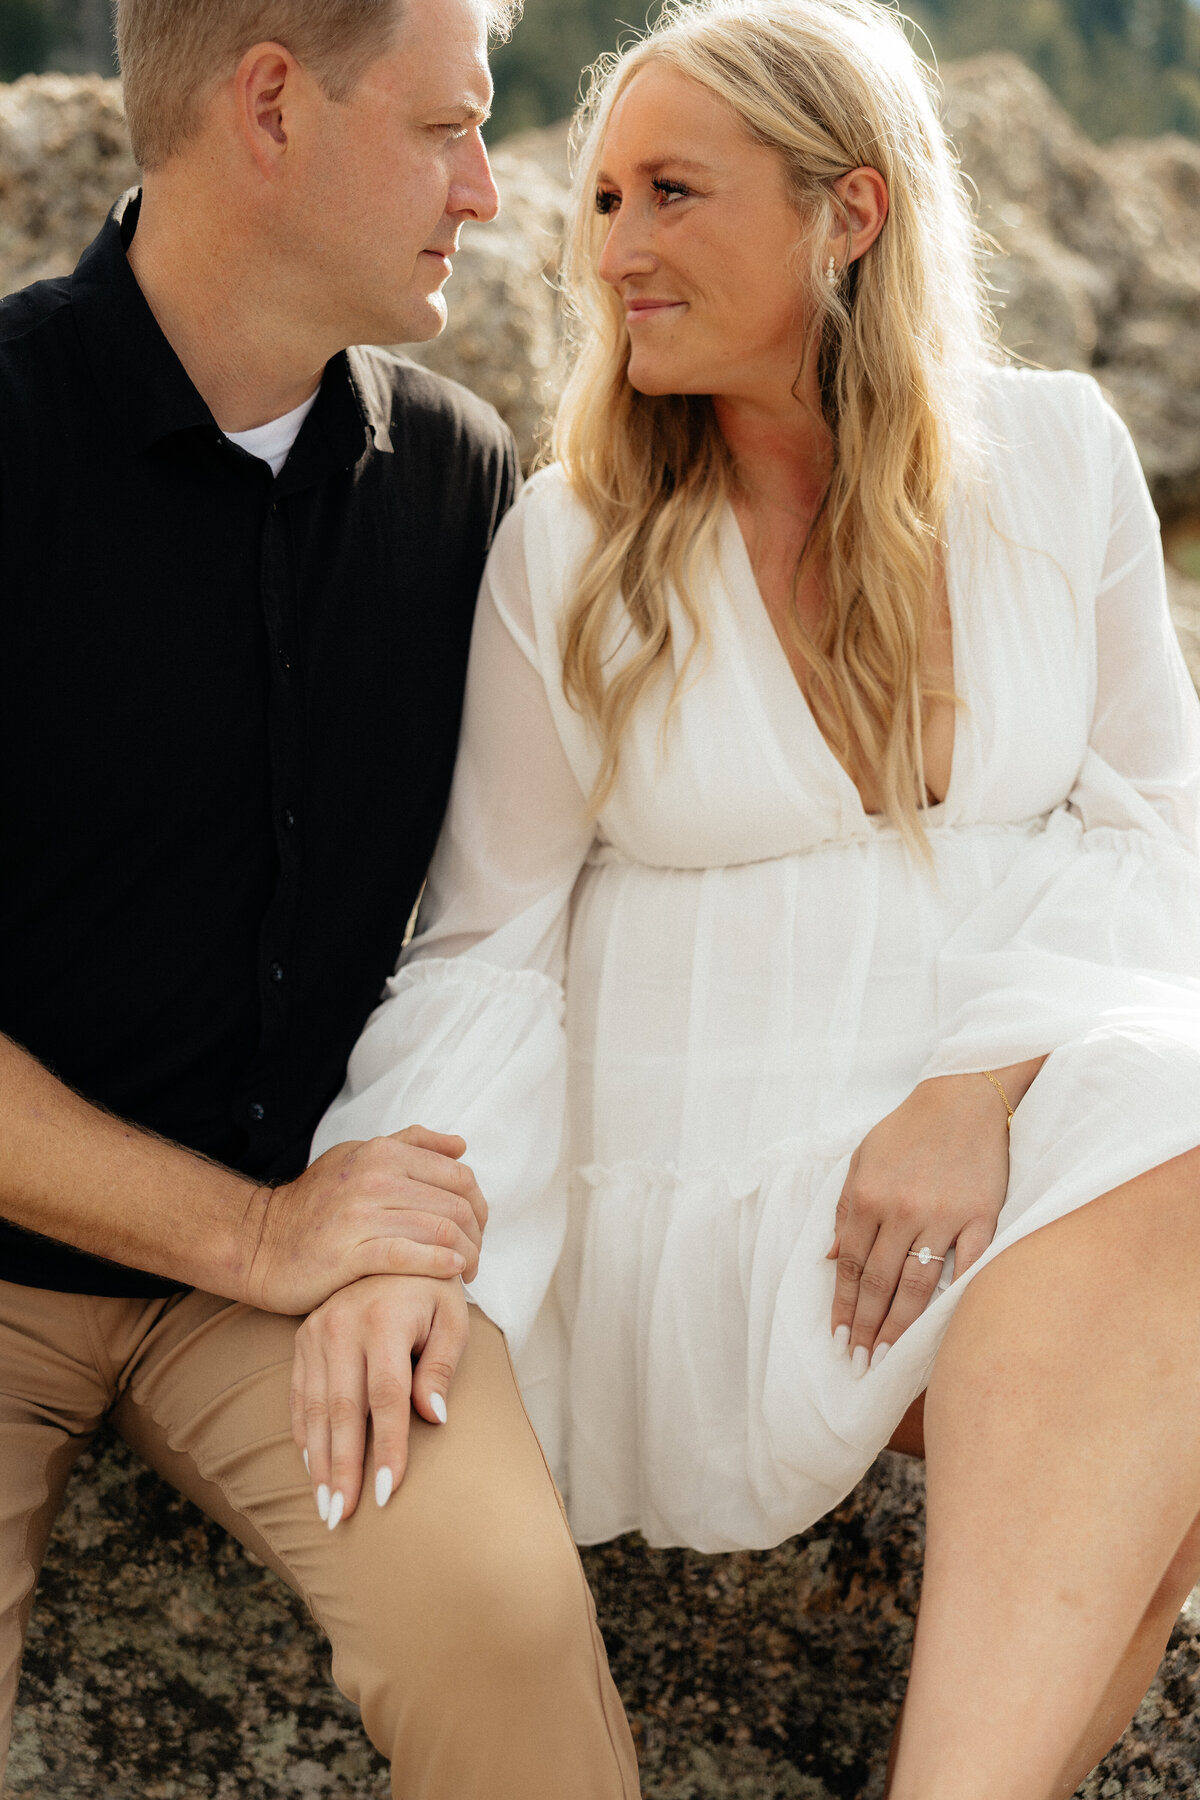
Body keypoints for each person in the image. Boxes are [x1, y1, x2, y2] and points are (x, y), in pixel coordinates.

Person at [311, 0, 1200, 1792]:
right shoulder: (571, 548)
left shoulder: (1060, 460)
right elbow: (484, 942)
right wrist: (389, 1229)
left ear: (849, 213)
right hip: (706, 1199)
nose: (615, 245)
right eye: (610, 199)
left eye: (673, 195)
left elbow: (1159, 830)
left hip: (978, 1169)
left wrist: (977, 1084)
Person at [0, 0, 642, 1794]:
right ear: (272, 106)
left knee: (505, 1623)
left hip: (300, 1285)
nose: (493, 195)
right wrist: (262, 1236)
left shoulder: (460, 482)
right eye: (449, 129)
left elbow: (509, 924)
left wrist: (365, 1246)